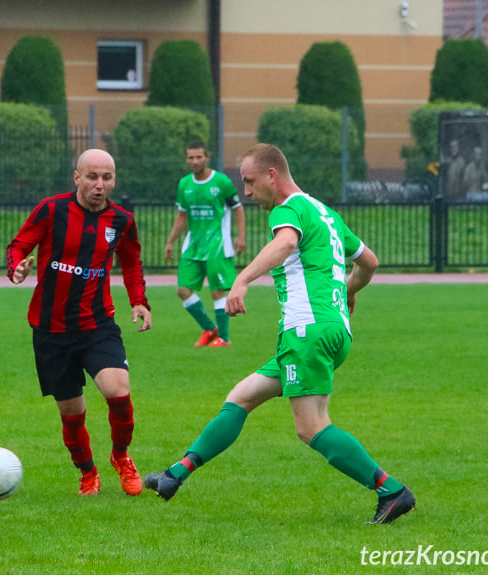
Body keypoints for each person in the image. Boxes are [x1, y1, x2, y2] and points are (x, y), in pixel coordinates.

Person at [145, 143, 415, 525]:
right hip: (331, 328)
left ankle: (391, 489)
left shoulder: (289, 209)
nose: (247, 192)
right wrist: (350, 289)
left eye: (251, 182)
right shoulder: (325, 212)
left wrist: (241, 280)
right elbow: (368, 262)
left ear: (272, 175)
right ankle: (175, 475)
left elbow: (286, 242)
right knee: (242, 397)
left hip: (306, 330)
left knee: (311, 428)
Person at [7, 148, 152, 497]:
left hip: (97, 325)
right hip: (50, 329)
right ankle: (87, 472)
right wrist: (17, 267)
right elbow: (18, 246)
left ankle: (121, 456)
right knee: (72, 413)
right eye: (92, 177)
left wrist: (139, 301)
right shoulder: (51, 209)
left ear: (114, 180)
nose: (99, 185)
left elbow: (131, 262)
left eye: (106, 178)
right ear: (77, 178)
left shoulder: (121, 221)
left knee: (118, 390)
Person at [165, 140, 246, 348]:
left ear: (207, 157)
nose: (194, 161)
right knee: (182, 289)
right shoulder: (184, 184)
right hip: (193, 246)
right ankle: (210, 329)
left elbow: (237, 208)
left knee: (217, 291)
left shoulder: (222, 182)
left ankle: (224, 338)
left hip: (217, 246)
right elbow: (182, 216)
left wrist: (241, 236)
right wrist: (171, 242)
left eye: (198, 157)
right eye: (190, 157)